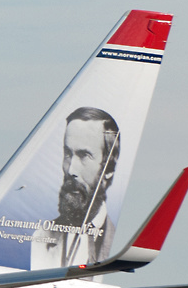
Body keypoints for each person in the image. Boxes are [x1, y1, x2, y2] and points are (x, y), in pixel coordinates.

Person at [30, 106, 120, 268]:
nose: (70, 170)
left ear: (109, 168)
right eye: (67, 154)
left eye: (84, 155)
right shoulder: (41, 236)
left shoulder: (116, 242)